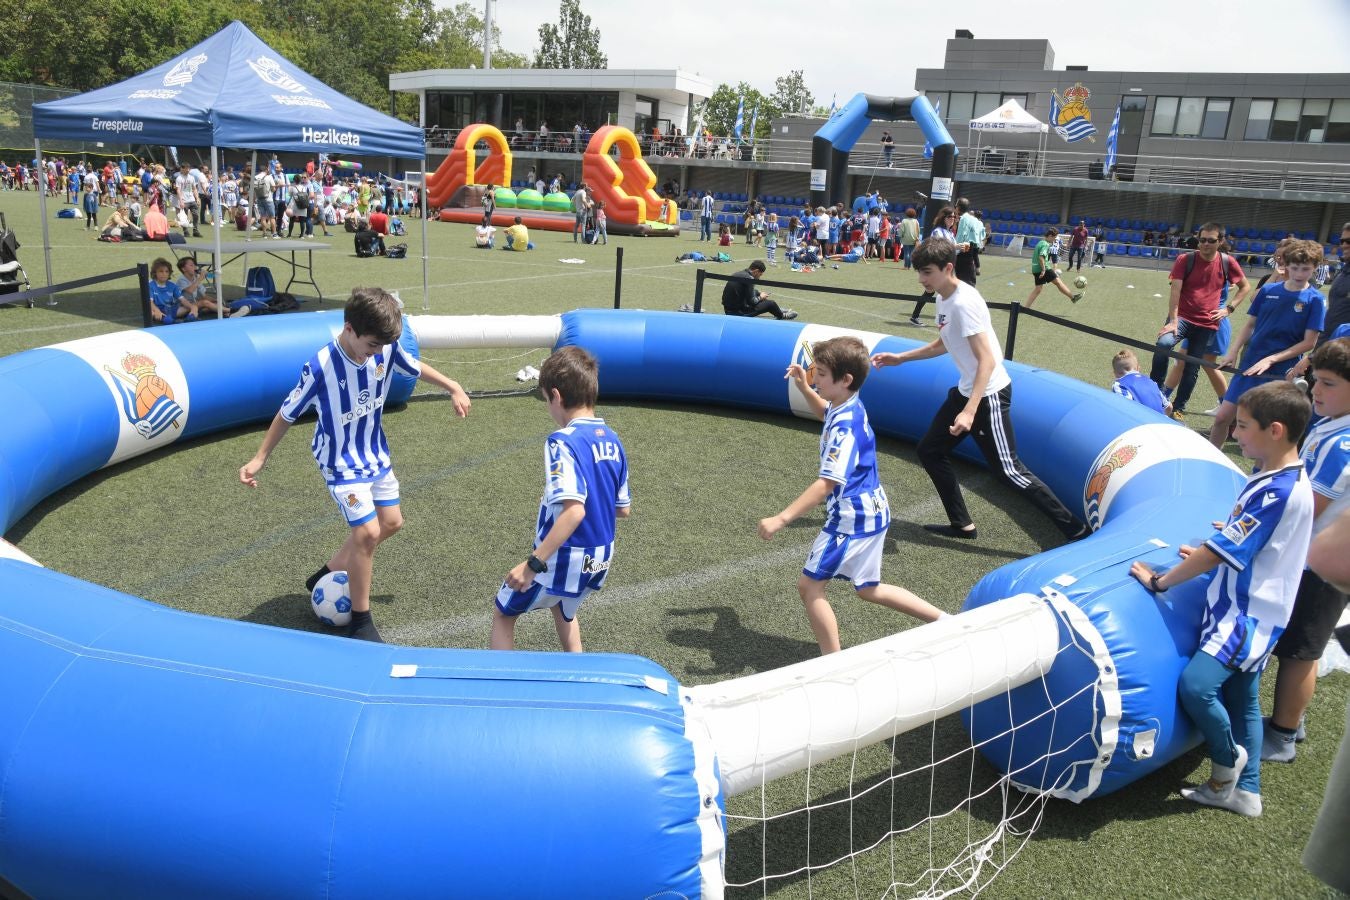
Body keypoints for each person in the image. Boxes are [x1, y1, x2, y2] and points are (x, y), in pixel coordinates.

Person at [239, 287, 472, 643]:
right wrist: (260, 458)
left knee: (391, 523)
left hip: (374, 454)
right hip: (340, 461)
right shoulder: (320, 366)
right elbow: (287, 413)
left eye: (380, 347)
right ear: (349, 329)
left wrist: (452, 385)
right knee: (367, 534)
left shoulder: (385, 347)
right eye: (371, 346)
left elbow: (414, 366)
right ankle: (361, 622)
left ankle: (326, 574)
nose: (376, 354)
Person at [1129, 381, 1314, 817]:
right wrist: (1221, 555)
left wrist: (1162, 582)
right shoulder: (1279, 476)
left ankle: (1229, 763)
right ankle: (1246, 792)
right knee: (1244, 696)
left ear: (1274, 430)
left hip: (1247, 616)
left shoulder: (1277, 490)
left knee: (1196, 686)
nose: (1234, 434)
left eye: (1242, 426)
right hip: (1259, 609)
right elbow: (1257, 546)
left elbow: (1219, 551)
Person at [872, 238, 1088, 542]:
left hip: (989, 395)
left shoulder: (964, 302)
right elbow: (946, 342)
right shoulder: (944, 298)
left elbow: (987, 359)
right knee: (930, 451)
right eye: (919, 272)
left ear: (948, 268)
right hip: (967, 390)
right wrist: (901, 358)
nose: (922, 279)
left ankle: (1076, 530)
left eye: (928, 273)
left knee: (1008, 471)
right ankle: (962, 524)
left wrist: (970, 409)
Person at [759, 336, 943, 654]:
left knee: (810, 587)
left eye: (820, 374)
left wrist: (781, 518)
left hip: (852, 517)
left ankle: (834, 662)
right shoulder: (848, 404)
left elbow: (826, 484)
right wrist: (805, 387)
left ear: (845, 380)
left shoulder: (844, 428)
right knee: (868, 588)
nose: (813, 376)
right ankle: (945, 621)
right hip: (875, 509)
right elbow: (825, 413)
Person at [492, 346, 629, 652]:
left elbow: (574, 512)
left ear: (555, 395)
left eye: (545, 401)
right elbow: (623, 508)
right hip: (600, 556)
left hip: (564, 556)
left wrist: (532, 564)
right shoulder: (613, 438)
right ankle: (579, 685)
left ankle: (503, 693)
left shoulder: (562, 441)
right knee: (564, 610)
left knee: (503, 613)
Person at [1263, 338, 1350, 764]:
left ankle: (1281, 734)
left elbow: (1309, 508)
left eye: (1329, 383)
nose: (1316, 389)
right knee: (1304, 647)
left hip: (1320, 565)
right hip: (1316, 556)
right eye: (1316, 378)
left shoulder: (1342, 442)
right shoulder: (1332, 423)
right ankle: (1291, 720)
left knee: (1300, 651)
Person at [1208, 240, 1324, 448]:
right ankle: (1209, 459)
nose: (1299, 273)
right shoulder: (1268, 290)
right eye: (1295, 267)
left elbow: (1309, 342)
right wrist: (1232, 352)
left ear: (1315, 268)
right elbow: (1250, 325)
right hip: (1250, 364)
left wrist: (1271, 359)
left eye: (1305, 269)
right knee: (1222, 418)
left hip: (1280, 371)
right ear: (1286, 265)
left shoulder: (1315, 299)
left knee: (1266, 428)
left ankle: (1262, 470)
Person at [1148, 223, 1251, 419]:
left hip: (1207, 323)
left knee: (1192, 366)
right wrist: (1173, 320)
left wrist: (1228, 308)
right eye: (1202, 240)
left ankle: (1179, 408)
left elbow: (1245, 287)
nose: (1205, 244)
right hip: (1183, 319)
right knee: (1163, 345)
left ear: (1220, 241)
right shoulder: (1185, 259)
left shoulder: (1227, 262)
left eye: (1211, 241)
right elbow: (1175, 291)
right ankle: (1156, 395)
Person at [908, 207, 958, 327]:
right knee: (932, 292)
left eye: (954, 217)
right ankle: (917, 317)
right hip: (937, 266)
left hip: (946, 267)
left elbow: (952, 249)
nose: (952, 219)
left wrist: (959, 249)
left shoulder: (950, 233)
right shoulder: (938, 231)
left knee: (937, 292)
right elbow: (939, 247)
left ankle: (917, 317)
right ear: (943, 218)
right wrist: (956, 247)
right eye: (949, 217)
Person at [1024, 227, 1083, 309]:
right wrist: (1044, 270)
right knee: (1058, 282)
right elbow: (1041, 257)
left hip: (1035, 268)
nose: (1055, 240)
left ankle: (1026, 307)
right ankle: (1073, 297)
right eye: (1055, 238)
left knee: (1038, 289)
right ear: (1050, 236)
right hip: (1043, 269)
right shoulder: (1045, 244)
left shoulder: (1040, 242)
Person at [721, 260, 796, 320]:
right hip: (737, 313)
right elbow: (752, 302)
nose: (759, 277)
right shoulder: (750, 278)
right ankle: (782, 315)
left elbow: (745, 290)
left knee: (759, 296)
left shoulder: (739, 273)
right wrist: (761, 297)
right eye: (760, 274)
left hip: (729, 309)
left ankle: (778, 310)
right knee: (770, 304)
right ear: (756, 271)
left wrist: (758, 293)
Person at [1111, 349, 1170, 415]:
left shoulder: (1119, 385)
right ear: (1138, 368)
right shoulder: (1152, 382)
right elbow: (1169, 407)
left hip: (1140, 423)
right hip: (1160, 423)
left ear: (1115, 373)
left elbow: (1124, 407)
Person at [147, 257, 196, 325]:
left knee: (189, 307)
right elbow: (150, 302)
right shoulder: (150, 284)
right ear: (155, 273)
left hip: (169, 309)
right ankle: (169, 320)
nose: (164, 274)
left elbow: (183, 300)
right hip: (155, 308)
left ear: (169, 273)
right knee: (151, 312)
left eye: (166, 271)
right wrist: (157, 310)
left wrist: (193, 307)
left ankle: (188, 318)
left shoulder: (172, 285)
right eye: (161, 271)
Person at [953, 197, 983, 285]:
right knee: (969, 282)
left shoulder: (962, 220)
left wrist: (955, 251)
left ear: (958, 208)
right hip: (970, 252)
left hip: (962, 253)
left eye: (955, 206)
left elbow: (960, 238)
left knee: (964, 283)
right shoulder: (974, 220)